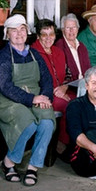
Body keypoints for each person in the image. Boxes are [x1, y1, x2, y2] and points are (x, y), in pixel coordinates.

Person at [0, 14, 55, 187]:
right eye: (14, 30)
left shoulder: (34, 53)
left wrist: (45, 97)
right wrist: (32, 98)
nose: (19, 34)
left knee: (47, 122)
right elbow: (5, 86)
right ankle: (9, 161)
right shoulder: (4, 56)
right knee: (28, 123)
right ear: (7, 34)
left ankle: (33, 167)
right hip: (9, 99)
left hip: (35, 96)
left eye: (22, 29)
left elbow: (47, 79)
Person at [31, 18, 75, 156]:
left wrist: (64, 87)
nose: (49, 38)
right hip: (45, 95)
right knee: (70, 106)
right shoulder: (33, 54)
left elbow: (68, 75)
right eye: (44, 35)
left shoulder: (58, 52)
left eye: (52, 34)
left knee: (83, 101)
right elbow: (34, 81)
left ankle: (80, 142)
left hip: (61, 90)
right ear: (38, 36)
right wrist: (54, 92)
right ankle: (62, 143)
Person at [54, 13, 91, 83]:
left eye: (74, 27)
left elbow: (88, 69)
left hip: (85, 83)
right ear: (62, 30)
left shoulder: (82, 46)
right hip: (71, 85)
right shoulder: (59, 47)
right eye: (68, 28)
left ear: (78, 29)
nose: (71, 30)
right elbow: (61, 76)